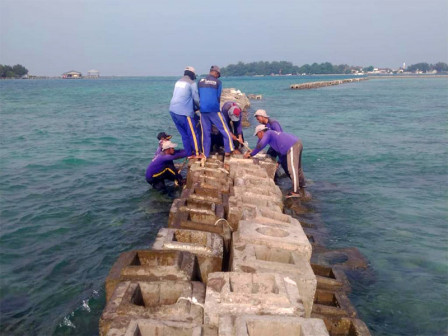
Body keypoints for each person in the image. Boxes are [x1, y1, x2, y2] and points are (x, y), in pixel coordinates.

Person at [244, 125, 306, 198]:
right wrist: (279, 162)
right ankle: (302, 185)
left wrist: (251, 154)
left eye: (257, 135)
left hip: (292, 146)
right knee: (297, 168)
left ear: (260, 132)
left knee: (292, 169)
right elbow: (282, 152)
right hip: (296, 143)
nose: (258, 137)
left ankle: (295, 191)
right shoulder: (273, 138)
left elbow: (261, 145)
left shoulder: (268, 133)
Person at [198, 65, 235, 157]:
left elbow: (199, 95)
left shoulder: (200, 81)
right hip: (213, 109)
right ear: (216, 73)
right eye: (218, 75)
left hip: (203, 110)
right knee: (224, 129)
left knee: (206, 133)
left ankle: (205, 154)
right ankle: (229, 149)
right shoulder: (218, 82)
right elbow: (218, 97)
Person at [169, 66, 201, 157]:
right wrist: (201, 108)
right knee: (193, 133)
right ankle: (197, 153)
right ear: (192, 74)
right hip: (184, 112)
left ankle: (188, 154)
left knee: (184, 135)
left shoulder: (178, 82)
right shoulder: (192, 83)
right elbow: (196, 100)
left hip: (173, 110)